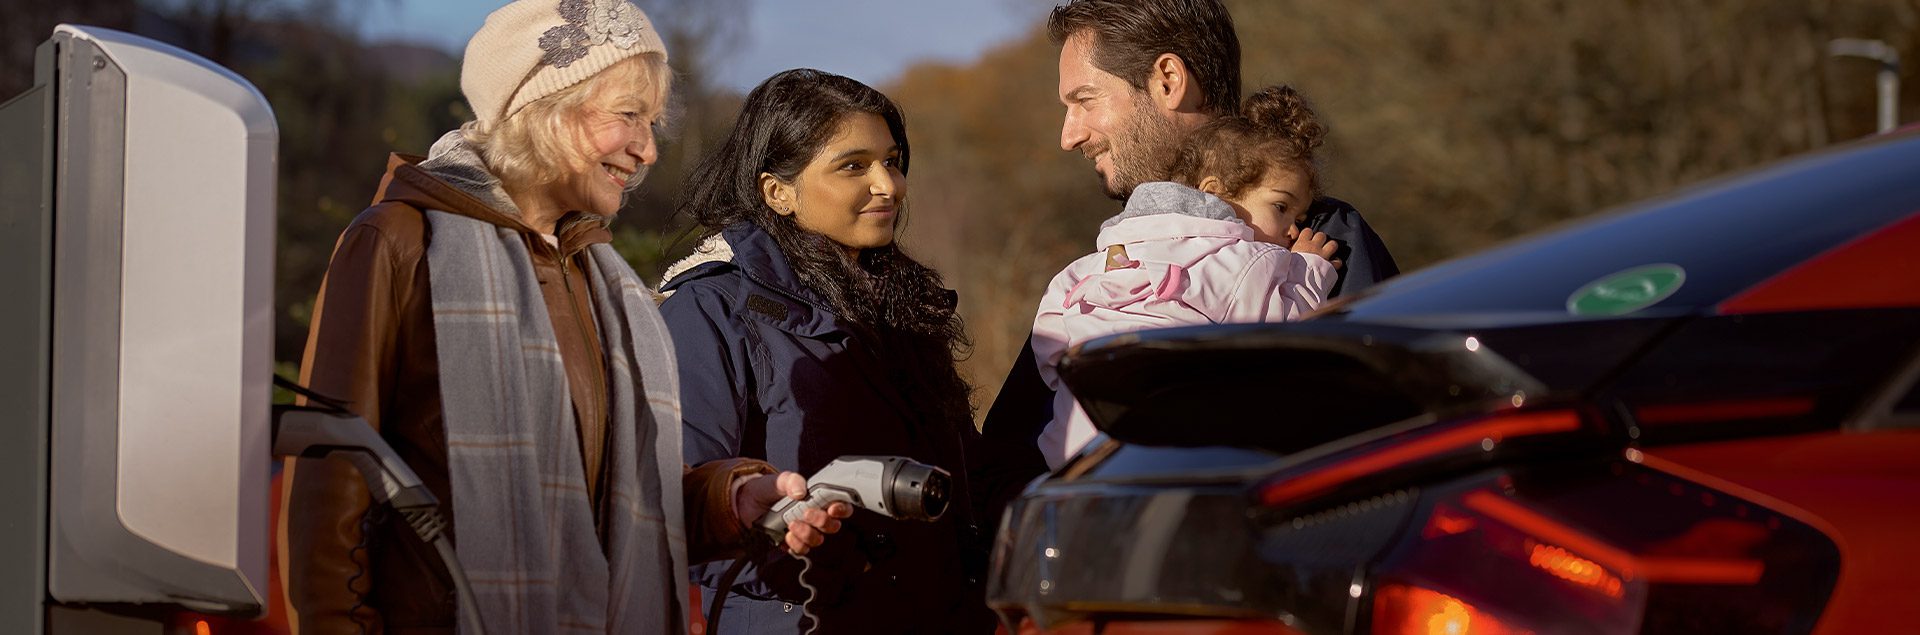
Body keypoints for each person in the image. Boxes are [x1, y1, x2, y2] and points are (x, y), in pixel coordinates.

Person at [280, 2, 849, 633]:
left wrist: (733, 500)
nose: (648, 149)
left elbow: (621, 509)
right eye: (629, 115)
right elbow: (331, 486)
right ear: (543, 109)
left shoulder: (597, 279)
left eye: (653, 122)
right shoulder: (400, 243)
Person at [979, 0, 1401, 488]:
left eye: (1085, 100)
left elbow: (1370, 449)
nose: (1069, 135)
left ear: (1167, 80)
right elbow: (1008, 460)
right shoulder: (1109, 264)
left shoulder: (1315, 239)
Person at [658, 68, 997, 634]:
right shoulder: (708, 311)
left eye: (892, 160)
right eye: (853, 166)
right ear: (778, 191)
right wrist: (828, 553)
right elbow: (684, 512)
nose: (888, 185)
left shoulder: (908, 307)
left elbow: (967, 486)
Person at [1032, 85, 1339, 468]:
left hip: (1074, 455)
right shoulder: (1246, 262)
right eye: (1281, 207)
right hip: (1173, 451)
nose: (1292, 231)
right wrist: (1311, 270)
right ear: (1217, 193)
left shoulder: (1088, 265)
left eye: (1299, 220)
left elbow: (1048, 346)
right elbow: (1284, 336)